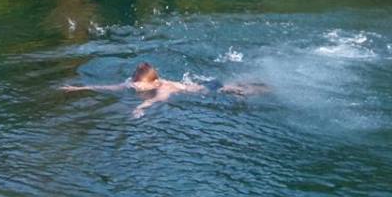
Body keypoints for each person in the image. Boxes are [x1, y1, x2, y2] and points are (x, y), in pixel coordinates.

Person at [62, 63, 266, 118]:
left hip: (206, 89)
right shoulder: (134, 82)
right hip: (200, 83)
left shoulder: (164, 87)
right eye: (134, 82)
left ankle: (259, 87)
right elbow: (112, 86)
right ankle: (248, 82)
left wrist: (141, 107)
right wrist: (80, 87)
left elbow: (158, 100)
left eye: (138, 85)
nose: (134, 86)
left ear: (151, 83)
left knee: (231, 90)